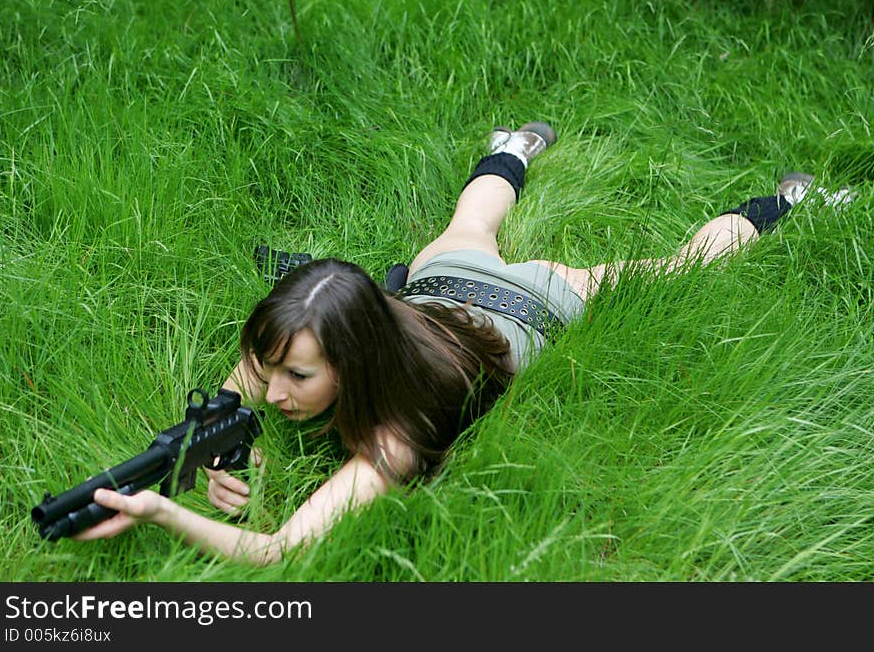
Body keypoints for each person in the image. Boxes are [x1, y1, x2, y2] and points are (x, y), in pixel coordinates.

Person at [73, 121, 855, 564]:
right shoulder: (334, 331)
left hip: (531, 304)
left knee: (672, 269)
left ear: (358, 357)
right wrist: (229, 448)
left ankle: (788, 204)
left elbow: (279, 550)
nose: (274, 390)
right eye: (273, 367)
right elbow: (245, 377)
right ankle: (512, 145)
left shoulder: (398, 432)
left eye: (298, 377)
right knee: (469, 228)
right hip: (439, 284)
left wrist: (163, 515)